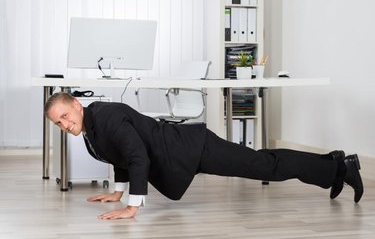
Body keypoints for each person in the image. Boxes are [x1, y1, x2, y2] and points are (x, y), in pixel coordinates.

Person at [44, 92, 364, 220]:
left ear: (75, 103)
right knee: (264, 161)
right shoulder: (93, 125)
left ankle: (340, 166)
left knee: (266, 164)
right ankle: (335, 165)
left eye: (64, 115)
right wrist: (118, 190)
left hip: (195, 148)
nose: (64, 124)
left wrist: (132, 206)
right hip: (185, 153)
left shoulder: (107, 117)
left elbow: (137, 156)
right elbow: (121, 154)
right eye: (58, 123)